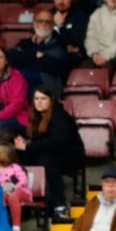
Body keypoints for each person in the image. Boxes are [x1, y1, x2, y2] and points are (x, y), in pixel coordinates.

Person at [15, 85, 85, 223]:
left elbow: (57, 141)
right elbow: (37, 139)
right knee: (19, 160)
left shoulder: (60, 116)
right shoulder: (36, 116)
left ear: (51, 100)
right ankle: (26, 202)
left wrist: (28, 148)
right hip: (46, 152)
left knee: (47, 162)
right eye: (36, 99)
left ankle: (59, 206)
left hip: (70, 155)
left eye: (43, 98)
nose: (39, 102)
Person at [6, 9, 69, 97]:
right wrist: (35, 55)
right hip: (25, 82)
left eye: (48, 22)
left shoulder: (59, 43)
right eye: (40, 21)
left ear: (53, 25)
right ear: (34, 23)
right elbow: (11, 57)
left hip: (48, 84)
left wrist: (25, 59)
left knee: (21, 76)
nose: (44, 24)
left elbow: (52, 65)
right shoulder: (26, 42)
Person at [71, 166, 116, 231]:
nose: (110, 185)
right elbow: (77, 227)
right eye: (107, 182)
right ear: (102, 185)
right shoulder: (93, 203)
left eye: (114, 182)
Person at [0, 141, 32, 231]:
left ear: (3, 155)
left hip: (21, 193)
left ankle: (16, 228)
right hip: (3, 194)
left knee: (13, 195)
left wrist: (7, 187)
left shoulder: (15, 168)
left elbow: (22, 181)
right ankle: (2, 225)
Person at [51, 0, 89, 70]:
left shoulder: (80, 17)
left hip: (72, 57)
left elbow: (77, 44)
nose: (61, 1)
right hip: (50, 53)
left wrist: (60, 26)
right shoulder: (48, 15)